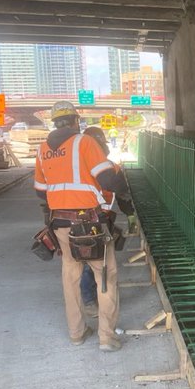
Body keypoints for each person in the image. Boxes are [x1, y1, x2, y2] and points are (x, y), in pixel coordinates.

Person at [34, 104, 126, 350]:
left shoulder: (42, 149)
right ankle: (106, 337)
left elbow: (41, 191)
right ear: (75, 120)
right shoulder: (84, 143)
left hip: (60, 224)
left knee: (70, 277)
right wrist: (123, 185)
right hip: (90, 224)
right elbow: (106, 178)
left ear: (55, 123)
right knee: (104, 275)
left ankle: (76, 333)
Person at [77, 128, 134, 316]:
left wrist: (129, 213)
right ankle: (91, 301)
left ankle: (91, 300)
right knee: (95, 262)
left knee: (89, 261)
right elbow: (123, 195)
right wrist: (130, 214)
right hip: (94, 220)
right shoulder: (110, 167)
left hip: (90, 219)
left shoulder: (77, 167)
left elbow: (122, 194)